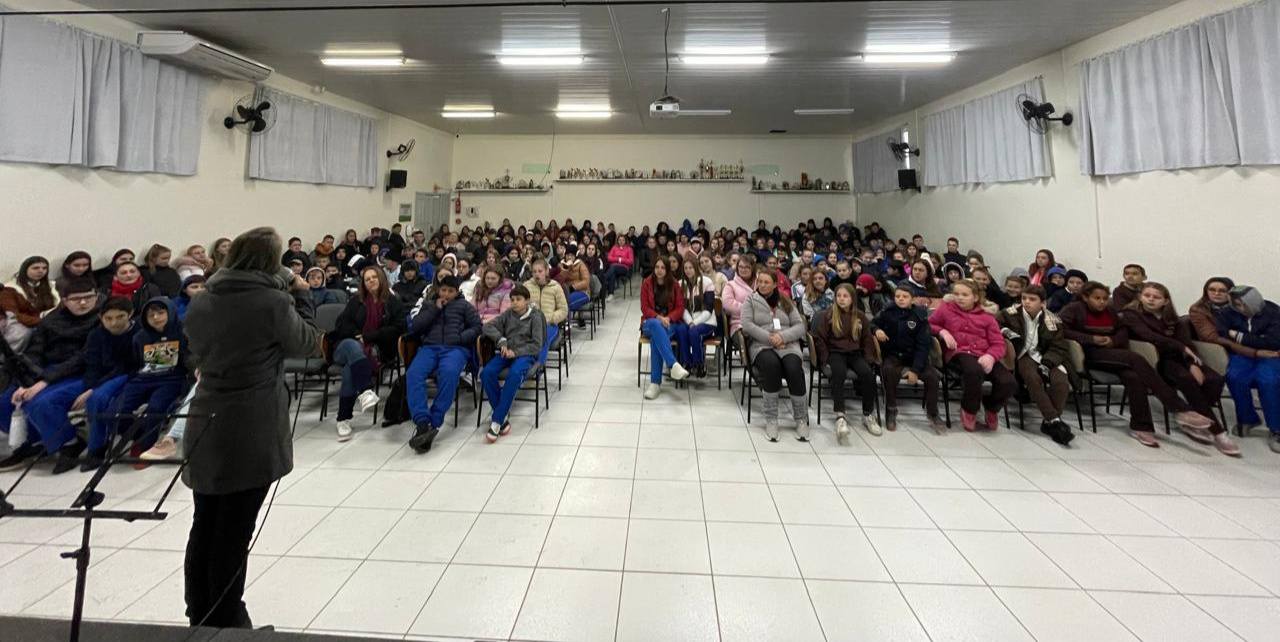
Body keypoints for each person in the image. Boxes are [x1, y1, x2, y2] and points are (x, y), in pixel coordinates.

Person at [182, 226, 322, 629]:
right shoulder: (273, 302)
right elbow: (307, 342)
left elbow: (198, 348)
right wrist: (302, 294)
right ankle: (228, 619)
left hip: (206, 417)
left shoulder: (204, 298)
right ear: (269, 261)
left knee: (205, 522)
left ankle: (200, 613)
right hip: (249, 424)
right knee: (234, 530)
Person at [1059, 281, 1215, 447]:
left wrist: (1112, 340)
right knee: (1135, 358)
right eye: (1097, 298)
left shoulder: (1110, 311)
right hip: (1088, 354)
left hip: (1113, 351)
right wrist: (1091, 339)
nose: (1102, 302)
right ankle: (1178, 407)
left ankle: (1141, 427)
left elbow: (1122, 331)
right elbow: (1062, 329)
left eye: (1105, 298)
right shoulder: (1074, 309)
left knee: (1134, 377)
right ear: (1085, 297)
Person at [74, 297, 192, 472]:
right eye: (151, 315)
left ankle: (146, 446)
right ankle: (138, 434)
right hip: (141, 379)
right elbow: (135, 362)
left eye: (161, 313)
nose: (156, 318)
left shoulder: (183, 333)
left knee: (156, 408)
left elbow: (189, 358)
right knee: (112, 413)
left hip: (170, 380)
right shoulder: (140, 337)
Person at [1119, 283, 1239, 455]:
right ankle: (1218, 432)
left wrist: (1193, 364)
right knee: (1186, 378)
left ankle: (1197, 417)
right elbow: (1149, 336)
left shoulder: (1174, 320)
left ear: (1165, 301)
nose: (1151, 299)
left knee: (1213, 379)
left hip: (1183, 358)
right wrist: (1180, 348)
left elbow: (1188, 344)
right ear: (1140, 297)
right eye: (1147, 295)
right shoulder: (1132, 315)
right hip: (1159, 360)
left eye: (1156, 297)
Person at [0, 280, 100, 470]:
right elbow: (35, 351)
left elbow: (83, 357)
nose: (83, 303)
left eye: (88, 297)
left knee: (43, 403)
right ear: (64, 300)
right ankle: (33, 441)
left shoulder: (101, 319)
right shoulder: (51, 321)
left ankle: (69, 443)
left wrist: (44, 382)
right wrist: (26, 381)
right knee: (7, 401)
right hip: (46, 371)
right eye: (76, 299)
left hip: (81, 372)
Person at [327, 266, 407, 441]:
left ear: (381, 279)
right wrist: (358, 336)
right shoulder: (357, 301)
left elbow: (399, 328)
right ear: (363, 283)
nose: (371, 281)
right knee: (353, 347)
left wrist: (369, 336)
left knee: (350, 369)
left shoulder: (393, 302)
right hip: (344, 346)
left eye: (374, 277)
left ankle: (343, 419)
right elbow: (342, 325)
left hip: (375, 349)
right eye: (367, 279)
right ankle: (365, 389)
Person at [405, 275, 481, 453]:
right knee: (413, 374)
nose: (446, 294)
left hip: (455, 349)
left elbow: (477, 326)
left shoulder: (464, 306)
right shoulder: (429, 305)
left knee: (448, 374)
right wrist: (434, 310)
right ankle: (422, 423)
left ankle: (435, 420)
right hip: (429, 348)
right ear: (438, 290)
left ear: (457, 292)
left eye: (450, 291)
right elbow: (415, 327)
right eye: (443, 290)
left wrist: (461, 338)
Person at [929, 279, 1015, 432]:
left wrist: (991, 356)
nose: (959, 297)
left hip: (984, 354)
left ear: (975, 297)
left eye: (964, 295)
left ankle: (991, 407)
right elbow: (929, 323)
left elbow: (998, 343)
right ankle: (969, 409)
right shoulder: (946, 309)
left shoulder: (987, 316)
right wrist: (943, 331)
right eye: (956, 294)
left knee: (1008, 381)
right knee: (973, 371)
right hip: (958, 352)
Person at [997, 285, 1075, 445]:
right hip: (1022, 355)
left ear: (1043, 303)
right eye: (1024, 298)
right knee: (1033, 378)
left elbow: (1058, 346)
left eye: (1032, 299)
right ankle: (1054, 420)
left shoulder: (1053, 320)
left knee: (1061, 383)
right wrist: (1007, 332)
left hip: (1046, 357)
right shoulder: (1009, 314)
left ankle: (1049, 423)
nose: (1026, 302)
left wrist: (1047, 363)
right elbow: (995, 325)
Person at [740, 270, 809, 441]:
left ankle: (801, 419)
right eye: (760, 281)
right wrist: (771, 339)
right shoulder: (750, 300)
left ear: (774, 284)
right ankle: (771, 418)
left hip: (788, 344)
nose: (762, 285)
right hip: (762, 345)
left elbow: (800, 326)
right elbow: (747, 325)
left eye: (766, 282)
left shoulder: (784, 300)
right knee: (771, 367)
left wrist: (782, 337)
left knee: (794, 368)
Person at [77, 296, 138, 470]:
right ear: (100, 318)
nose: (114, 323)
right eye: (108, 318)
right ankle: (93, 446)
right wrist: (90, 386)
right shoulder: (96, 335)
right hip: (106, 377)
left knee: (100, 398)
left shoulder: (138, 332)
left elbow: (127, 366)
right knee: (94, 398)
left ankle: (98, 446)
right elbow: (92, 364)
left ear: (130, 314)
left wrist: (95, 388)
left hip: (130, 374)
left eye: (120, 317)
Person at [480, 284, 546, 442]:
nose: (514, 303)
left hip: (525, 354)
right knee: (486, 373)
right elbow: (488, 326)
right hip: (506, 351)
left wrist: (516, 352)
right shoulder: (508, 314)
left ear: (527, 300)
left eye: (518, 299)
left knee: (514, 374)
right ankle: (503, 417)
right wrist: (501, 340)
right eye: (512, 300)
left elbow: (537, 345)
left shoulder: (536, 316)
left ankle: (496, 421)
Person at [874, 285, 944, 433]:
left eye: (904, 297)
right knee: (888, 371)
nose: (900, 299)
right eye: (897, 296)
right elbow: (872, 323)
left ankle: (933, 413)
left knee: (932, 377)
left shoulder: (920, 316)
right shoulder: (887, 311)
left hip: (914, 356)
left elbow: (923, 345)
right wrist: (877, 330)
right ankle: (891, 409)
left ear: (912, 299)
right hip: (893, 354)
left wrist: (915, 370)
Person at [814, 284, 880, 440]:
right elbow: (820, 339)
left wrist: (869, 359)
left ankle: (868, 414)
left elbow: (867, 339)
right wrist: (824, 360)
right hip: (835, 353)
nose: (841, 299)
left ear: (852, 299)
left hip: (855, 354)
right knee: (839, 374)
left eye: (845, 296)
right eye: (839, 296)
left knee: (868, 376)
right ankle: (840, 415)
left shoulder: (860, 316)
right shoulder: (828, 315)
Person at [1220, 286, 1280, 451]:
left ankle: (1276, 428)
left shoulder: (1273, 311)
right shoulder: (1227, 312)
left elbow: (1273, 341)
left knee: (1268, 380)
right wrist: (1256, 340)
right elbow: (1223, 333)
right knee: (1234, 377)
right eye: (1236, 304)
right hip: (1242, 355)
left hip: (1271, 355)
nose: (1239, 308)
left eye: (1242, 304)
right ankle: (1247, 418)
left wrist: (1239, 336)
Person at [640, 259, 690, 399]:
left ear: (667, 269)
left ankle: (655, 384)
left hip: (670, 323)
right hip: (650, 322)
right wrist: (658, 317)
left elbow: (680, 307)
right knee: (656, 326)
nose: (659, 270)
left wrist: (668, 318)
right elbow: (644, 308)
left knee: (657, 339)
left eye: (663, 267)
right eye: (657, 267)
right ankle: (673, 364)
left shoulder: (674, 284)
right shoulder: (647, 283)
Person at [678, 258, 718, 377]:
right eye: (685, 268)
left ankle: (699, 363)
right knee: (681, 330)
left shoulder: (706, 282)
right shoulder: (680, 284)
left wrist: (694, 323)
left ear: (696, 268)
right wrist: (690, 322)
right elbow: (682, 308)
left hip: (707, 321)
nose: (688, 271)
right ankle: (687, 363)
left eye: (690, 268)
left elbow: (709, 309)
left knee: (693, 332)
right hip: (689, 321)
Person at [7, 256, 59, 323]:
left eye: (44, 268)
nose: (41, 271)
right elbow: (14, 314)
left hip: (49, 320)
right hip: (23, 322)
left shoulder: (51, 285)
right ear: (25, 269)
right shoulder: (11, 288)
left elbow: (57, 305)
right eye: (35, 268)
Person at [721, 255, 756, 338]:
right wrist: (751, 309)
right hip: (740, 324)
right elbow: (728, 305)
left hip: (762, 323)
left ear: (752, 268)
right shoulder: (730, 285)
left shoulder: (760, 283)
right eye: (740, 267)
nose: (743, 270)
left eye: (747, 267)